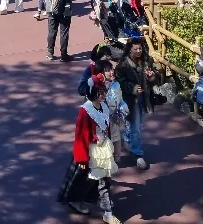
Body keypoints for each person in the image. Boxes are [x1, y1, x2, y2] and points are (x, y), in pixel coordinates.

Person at [56, 80, 123, 224]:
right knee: (81, 178)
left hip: (102, 150)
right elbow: (80, 135)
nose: (103, 95)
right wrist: (81, 158)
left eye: (104, 92)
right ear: (92, 92)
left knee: (103, 181)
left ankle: (108, 212)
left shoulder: (103, 106)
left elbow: (106, 128)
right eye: (100, 92)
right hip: (89, 151)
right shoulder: (86, 111)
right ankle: (76, 200)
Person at [117, 38, 159, 170]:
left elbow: (155, 79)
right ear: (130, 49)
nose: (138, 51)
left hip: (144, 98)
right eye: (135, 49)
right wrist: (133, 88)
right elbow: (120, 82)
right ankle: (137, 153)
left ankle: (127, 139)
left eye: (140, 48)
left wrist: (151, 76)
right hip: (130, 100)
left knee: (134, 124)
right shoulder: (123, 65)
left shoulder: (146, 61)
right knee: (135, 127)